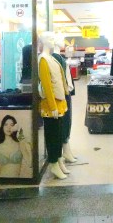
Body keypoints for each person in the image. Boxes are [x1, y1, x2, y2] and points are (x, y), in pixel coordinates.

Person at [38, 31, 70, 179]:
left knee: (58, 134)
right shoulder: (43, 59)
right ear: (45, 41)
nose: (53, 41)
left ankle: (58, 159)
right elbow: (46, 86)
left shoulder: (50, 58)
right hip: (52, 105)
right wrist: (52, 106)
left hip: (59, 102)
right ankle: (53, 162)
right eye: (50, 38)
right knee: (52, 135)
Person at [53, 33, 77, 163]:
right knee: (64, 122)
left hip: (63, 94)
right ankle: (63, 152)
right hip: (61, 95)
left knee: (66, 122)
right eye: (61, 39)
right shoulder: (56, 59)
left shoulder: (57, 58)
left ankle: (66, 150)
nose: (64, 42)